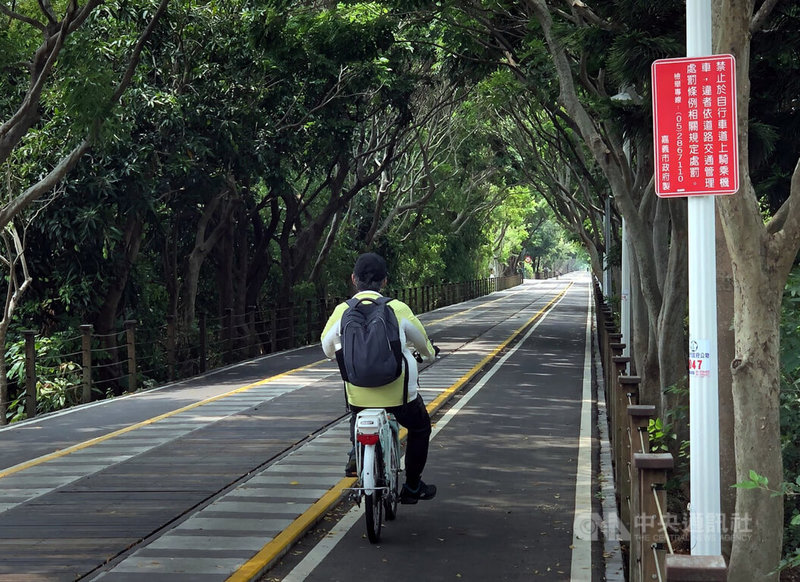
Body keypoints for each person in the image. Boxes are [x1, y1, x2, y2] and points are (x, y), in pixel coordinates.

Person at [320, 252, 438, 504]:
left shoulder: (342, 311)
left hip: (358, 395)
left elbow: (327, 349)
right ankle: (413, 486)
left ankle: (356, 451)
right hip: (399, 396)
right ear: (384, 281)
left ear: (354, 279)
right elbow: (424, 346)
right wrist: (428, 356)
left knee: (356, 413)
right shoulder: (397, 309)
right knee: (420, 428)